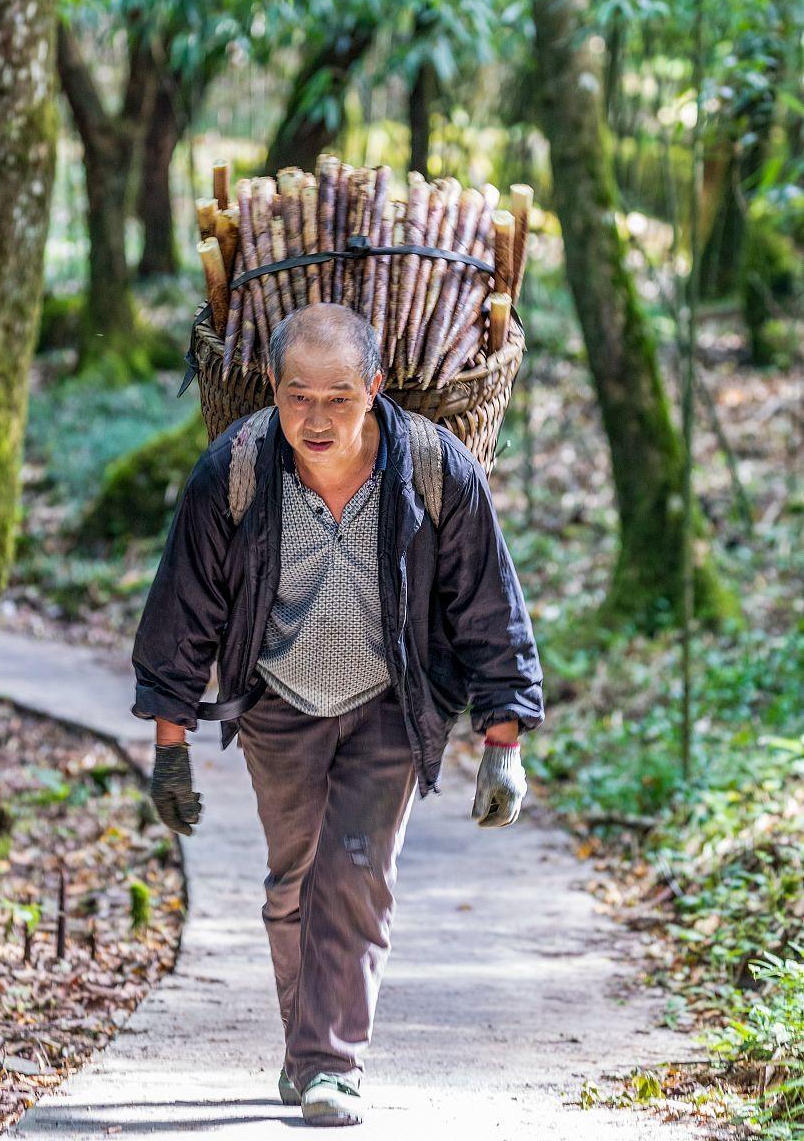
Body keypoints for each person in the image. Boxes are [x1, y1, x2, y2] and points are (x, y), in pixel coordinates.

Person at [130, 302, 544, 1127]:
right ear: (273, 392)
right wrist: (170, 749)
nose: (315, 419)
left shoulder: (434, 469)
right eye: (297, 396)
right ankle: (307, 1050)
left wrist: (504, 740)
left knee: (353, 873)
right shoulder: (236, 470)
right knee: (294, 883)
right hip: (278, 704)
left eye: (339, 397)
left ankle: (329, 1063)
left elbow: (487, 605)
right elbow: (184, 613)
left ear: (375, 389)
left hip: (391, 703)